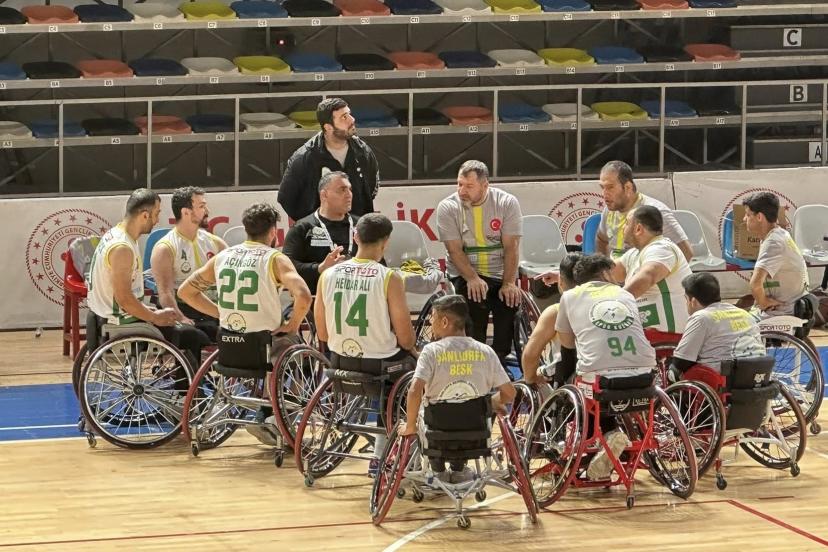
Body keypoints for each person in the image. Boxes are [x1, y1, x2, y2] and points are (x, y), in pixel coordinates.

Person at [178, 202, 313, 444]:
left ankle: (265, 412)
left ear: (246, 229)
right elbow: (303, 296)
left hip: (229, 345)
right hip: (265, 346)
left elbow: (185, 292)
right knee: (303, 359)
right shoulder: (275, 259)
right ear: (273, 232)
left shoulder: (223, 257)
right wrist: (293, 325)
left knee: (278, 348)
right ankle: (273, 417)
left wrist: (220, 312)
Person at [315, 213, 416, 474]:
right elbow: (406, 338)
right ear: (386, 242)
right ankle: (384, 454)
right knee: (417, 368)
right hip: (380, 367)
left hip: (339, 362)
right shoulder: (389, 277)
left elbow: (322, 334)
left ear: (355, 236)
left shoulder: (327, 275)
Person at [555, 254, 656, 480]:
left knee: (574, 387)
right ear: (604, 274)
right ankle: (612, 435)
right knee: (593, 384)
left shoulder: (570, 297)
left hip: (602, 379)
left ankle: (597, 442)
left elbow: (567, 348)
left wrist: (561, 381)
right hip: (645, 374)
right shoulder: (625, 294)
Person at [400, 294, 516, 482]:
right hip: (474, 435)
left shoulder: (431, 351)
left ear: (444, 321)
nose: (431, 322)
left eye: (433, 317)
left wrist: (410, 426)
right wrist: (491, 402)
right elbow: (510, 393)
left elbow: (414, 391)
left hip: (437, 434)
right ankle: (459, 468)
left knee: (424, 413)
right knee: (473, 411)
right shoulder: (486, 351)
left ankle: (438, 470)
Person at [87, 188, 206, 366]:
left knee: (170, 315)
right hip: (121, 323)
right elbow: (124, 299)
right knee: (192, 335)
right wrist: (154, 317)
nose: (157, 220)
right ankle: (188, 384)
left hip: (108, 316)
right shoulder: (122, 248)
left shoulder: (115, 234)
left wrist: (150, 311)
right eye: (156, 214)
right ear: (144, 215)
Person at [436, 160, 523, 370]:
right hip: (466, 272)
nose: (462, 191)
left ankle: (499, 358)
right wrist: (473, 278)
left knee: (509, 302)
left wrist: (509, 283)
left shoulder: (506, 203)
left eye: (469, 186)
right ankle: (474, 359)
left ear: (485, 185)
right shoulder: (447, 207)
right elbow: (454, 251)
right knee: (474, 302)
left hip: (499, 272)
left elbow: (511, 247)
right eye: (459, 184)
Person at [278, 97, 380, 221]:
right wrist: (310, 224)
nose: (352, 119)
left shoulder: (363, 151)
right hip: (320, 230)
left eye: (349, 114)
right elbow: (286, 198)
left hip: (356, 229)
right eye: (344, 117)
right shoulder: (305, 157)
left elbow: (372, 189)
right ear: (328, 127)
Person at [151, 186, 225, 342]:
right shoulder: (165, 248)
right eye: (202, 206)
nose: (207, 211)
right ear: (186, 212)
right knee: (192, 335)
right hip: (184, 311)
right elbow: (165, 294)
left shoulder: (215, 243)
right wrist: (180, 317)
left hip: (211, 310)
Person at [669, 273, 765, 382]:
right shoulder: (745, 314)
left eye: (686, 299)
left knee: (674, 371)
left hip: (724, 381)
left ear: (693, 301)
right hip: (758, 377)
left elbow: (681, 361)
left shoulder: (701, 317)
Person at [612, 205, 693, 335]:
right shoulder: (635, 253)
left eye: (626, 223)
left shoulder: (661, 248)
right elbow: (608, 273)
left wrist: (612, 304)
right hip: (648, 334)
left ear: (638, 229)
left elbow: (647, 277)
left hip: (670, 336)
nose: (623, 228)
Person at [596, 160, 692, 262]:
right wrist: (604, 268)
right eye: (602, 187)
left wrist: (655, 270)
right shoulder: (609, 209)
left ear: (628, 187)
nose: (604, 194)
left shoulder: (656, 212)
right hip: (619, 269)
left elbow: (686, 253)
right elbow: (601, 239)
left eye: (610, 187)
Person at [282, 171, 359, 294]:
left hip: (355, 299)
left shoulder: (361, 226)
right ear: (324, 195)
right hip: (316, 299)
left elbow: (378, 263)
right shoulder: (302, 227)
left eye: (350, 189)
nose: (349, 195)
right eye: (342, 190)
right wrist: (319, 268)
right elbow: (285, 267)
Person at [743, 192, 810, 318]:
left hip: (781, 313)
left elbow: (755, 285)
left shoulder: (773, 243)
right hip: (787, 308)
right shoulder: (779, 234)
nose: (744, 219)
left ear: (759, 217)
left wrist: (763, 303)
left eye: (748, 215)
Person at [521, 252, 581, 386]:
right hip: (601, 371)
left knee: (511, 389)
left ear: (561, 282)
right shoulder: (604, 304)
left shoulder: (555, 312)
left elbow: (530, 355)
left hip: (565, 374)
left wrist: (530, 380)